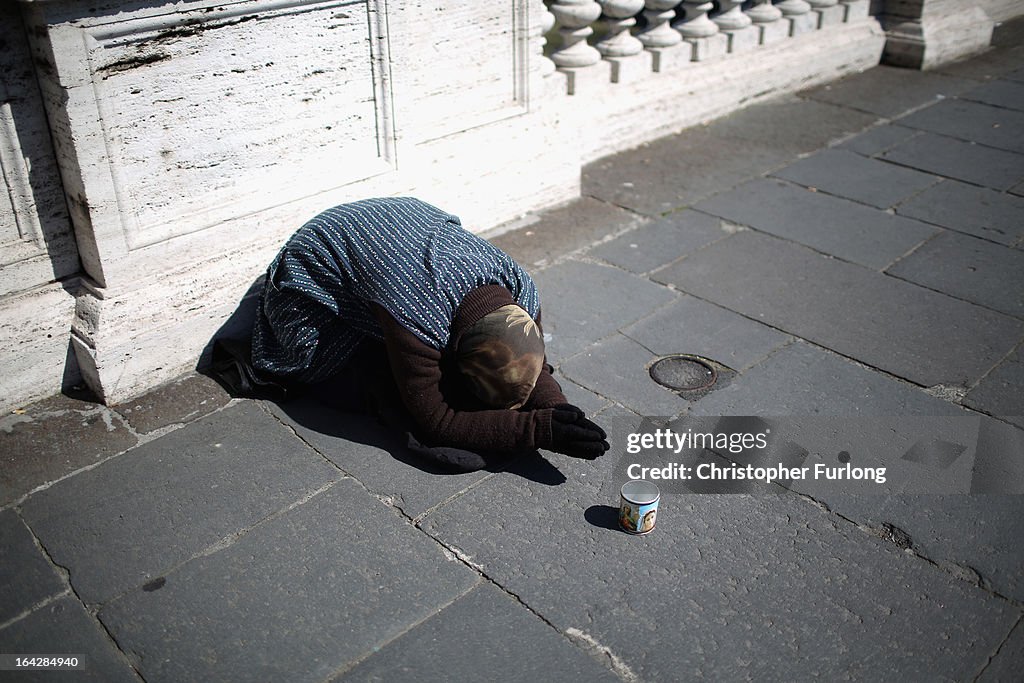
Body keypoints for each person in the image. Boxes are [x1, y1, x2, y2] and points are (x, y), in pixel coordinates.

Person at [248, 197, 609, 471]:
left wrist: (558, 410)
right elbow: (439, 421)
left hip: (390, 234)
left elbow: (534, 366)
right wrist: (538, 430)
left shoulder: (521, 289)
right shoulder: (414, 313)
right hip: (309, 281)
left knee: (448, 388)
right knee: (373, 382)